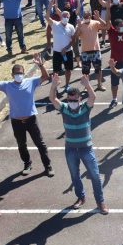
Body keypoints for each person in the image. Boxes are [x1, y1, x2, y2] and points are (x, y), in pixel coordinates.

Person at [49, 74, 108, 214]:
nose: (72, 102)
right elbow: (52, 99)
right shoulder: (64, 108)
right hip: (70, 149)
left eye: (74, 100)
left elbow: (93, 98)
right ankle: (80, 197)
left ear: (79, 99)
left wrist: (87, 85)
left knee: (95, 174)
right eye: (70, 100)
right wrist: (53, 85)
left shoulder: (85, 108)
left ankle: (100, 201)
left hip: (86, 148)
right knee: (74, 175)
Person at [0, 54, 53, 177]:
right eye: (16, 73)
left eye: (20, 72)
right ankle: (27, 163)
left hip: (31, 120)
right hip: (16, 121)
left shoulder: (30, 82)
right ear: (12, 75)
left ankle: (47, 166)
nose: (18, 75)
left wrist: (40, 65)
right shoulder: (7, 85)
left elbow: (45, 76)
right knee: (22, 145)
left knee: (40, 143)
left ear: (24, 73)